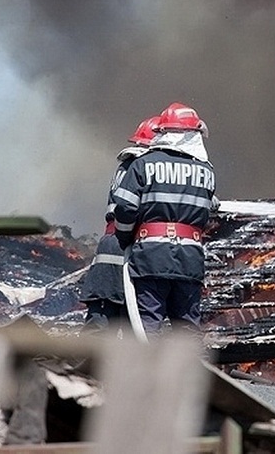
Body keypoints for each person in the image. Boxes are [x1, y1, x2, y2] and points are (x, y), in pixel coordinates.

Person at [111, 102, 217, 336]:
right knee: (187, 328)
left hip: (150, 256)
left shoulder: (142, 165)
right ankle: (190, 371)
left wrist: (126, 237)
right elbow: (204, 215)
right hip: (190, 257)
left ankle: (145, 372)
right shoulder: (207, 172)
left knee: (147, 322)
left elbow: (124, 208)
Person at [79, 116, 159, 334]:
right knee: (106, 318)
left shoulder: (130, 165)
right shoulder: (139, 167)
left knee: (116, 316)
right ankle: (85, 365)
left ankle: (99, 364)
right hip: (121, 244)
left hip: (121, 245)